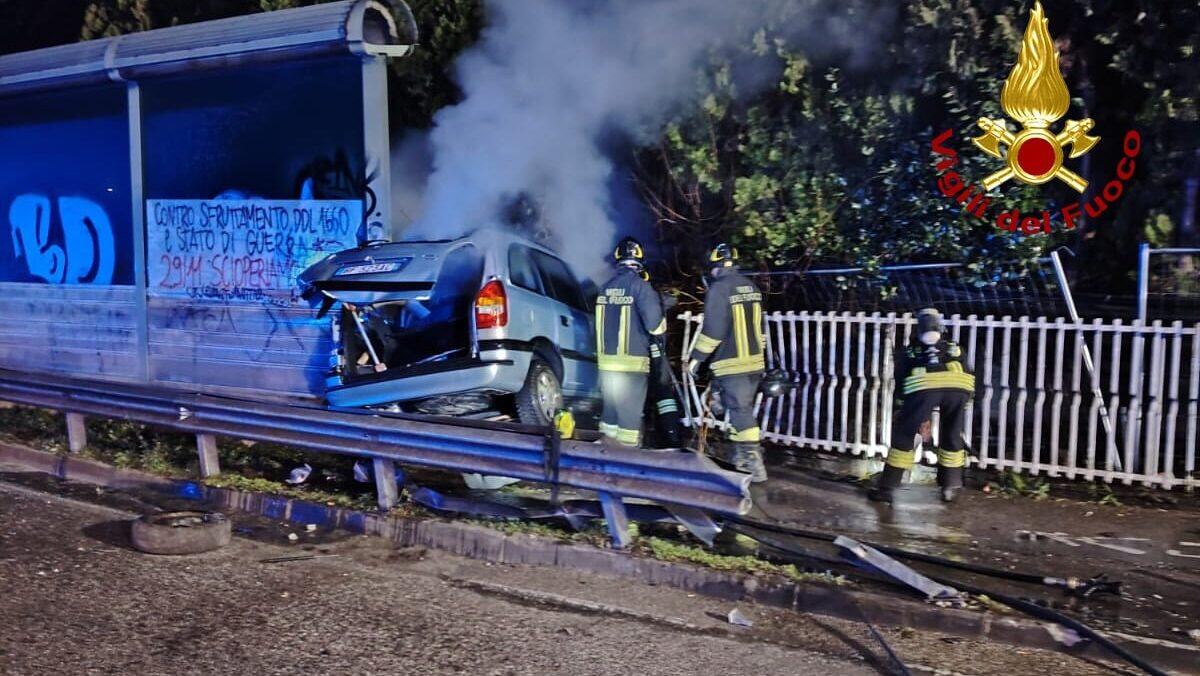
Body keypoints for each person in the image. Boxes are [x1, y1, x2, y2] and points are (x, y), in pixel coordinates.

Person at [871, 308, 975, 504]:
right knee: (952, 435)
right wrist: (967, 400)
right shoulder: (955, 347)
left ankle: (887, 488)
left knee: (904, 436)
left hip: (924, 388)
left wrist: (902, 407)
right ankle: (950, 486)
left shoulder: (911, 350)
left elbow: (901, 381)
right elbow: (968, 371)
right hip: (959, 389)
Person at [687, 244, 767, 482]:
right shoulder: (750, 287)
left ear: (715, 268)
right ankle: (740, 460)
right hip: (754, 364)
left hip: (733, 364)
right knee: (738, 409)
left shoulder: (719, 290)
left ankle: (754, 465)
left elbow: (713, 331)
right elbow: (760, 329)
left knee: (740, 412)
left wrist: (696, 360)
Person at [595, 236, 666, 447]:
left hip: (607, 366)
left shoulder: (604, 288)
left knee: (610, 411)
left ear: (618, 259)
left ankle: (605, 454)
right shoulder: (641, 287)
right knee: (629, 416)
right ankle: (628, 455)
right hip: (632, 366)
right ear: (639, 261)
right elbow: (656, 327)